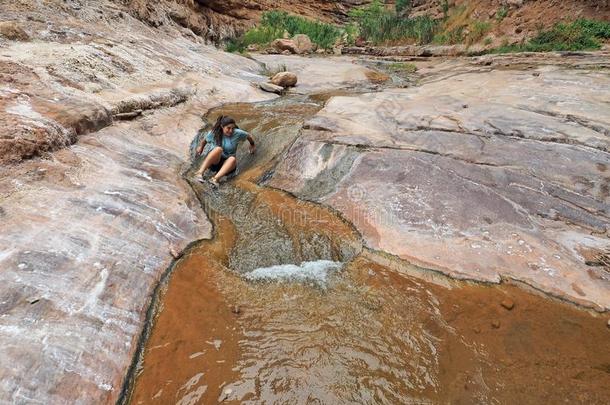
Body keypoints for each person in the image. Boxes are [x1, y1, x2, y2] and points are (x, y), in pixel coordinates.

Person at [193, 115, 256, 186]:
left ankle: (215, 179)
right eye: (228, 128)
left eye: (232, 128)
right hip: (215, 163)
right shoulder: (214, 133)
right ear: (222, 126)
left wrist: (252, 144)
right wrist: (201, 147)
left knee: (232, 158)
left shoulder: (237, 133)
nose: (231, 131)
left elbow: (248, 136)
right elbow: (205, 140)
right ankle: (199, 173)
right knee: (218, 149)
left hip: (227, 166)